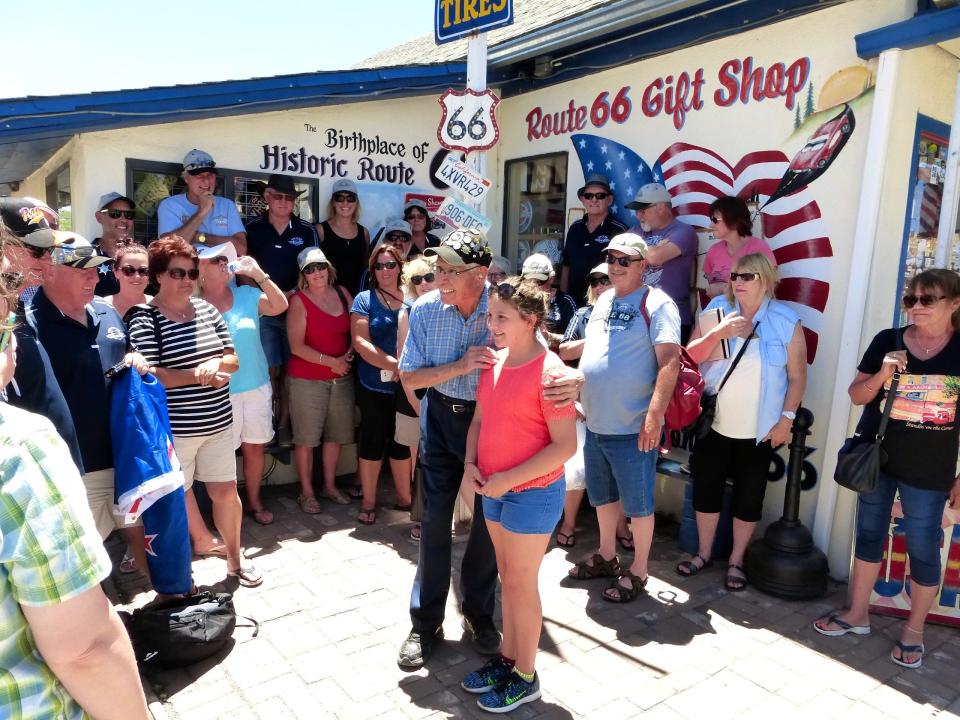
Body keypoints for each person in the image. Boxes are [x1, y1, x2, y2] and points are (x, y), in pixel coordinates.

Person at [396, 229, 582, 668]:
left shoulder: (500, 304)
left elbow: (541, 351)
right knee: (434, 522)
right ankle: (425, 625)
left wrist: (579, 380)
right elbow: (410, 379)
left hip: (491, 424)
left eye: (448, 270)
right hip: (442, 420)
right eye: (436, 268)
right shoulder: (424, 310)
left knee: (486, 527)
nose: (437, 276)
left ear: (479, 274)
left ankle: (479, 615)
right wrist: (459, 367)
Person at [0, 272, 150, 720]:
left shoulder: (107, 314)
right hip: (70, 465)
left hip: (112, 452)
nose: (92, 277)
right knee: (80, 591)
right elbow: (85, 651)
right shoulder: (18, 447)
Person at [814, 268, 960, 670]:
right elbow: (856, 394)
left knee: (923, 547)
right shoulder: (888, 340)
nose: (916, 307)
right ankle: (857, 614)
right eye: (910, 299)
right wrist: (883, 372)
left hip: (931, 470)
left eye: (927, 300)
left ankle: (914, 632)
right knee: (868, 534)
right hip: (879, 460)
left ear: (954, 303)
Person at [459, 277, 577, 712]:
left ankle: (526, 676)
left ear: (531, 321)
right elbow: (479, 422)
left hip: (533, 494)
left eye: (502, 317)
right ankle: (509, 659)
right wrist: (471, 465)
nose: (492, 324)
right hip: (493, 489)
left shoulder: (553, 374)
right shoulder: (493, 363)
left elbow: (565, 446)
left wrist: (508, 479)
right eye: (490, 315)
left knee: (521, 584)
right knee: (507, 581)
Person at [126, 235, 262, 588]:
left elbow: (232, 358)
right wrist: (196, 375)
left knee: (226, 493)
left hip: (218, 422)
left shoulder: (207, 309)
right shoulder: (145, 316)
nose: (186, 280)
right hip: (176, 430)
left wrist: (217, 362)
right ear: (158, 275)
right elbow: (149, 374)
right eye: (177, 273)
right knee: (172, 503)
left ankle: (235, 559)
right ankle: (176, 578)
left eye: (190, 273)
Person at [27, 232, 152, 581]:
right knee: (79, 559)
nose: (94, 278)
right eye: (82, 270)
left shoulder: (106, 312)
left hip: (125, 455)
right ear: (49, 271)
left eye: (96, 270)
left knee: (140, 534)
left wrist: (134, 356)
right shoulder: (28, 324)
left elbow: (123, 351)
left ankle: (164, 601)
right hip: (77, 465)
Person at [680, 253, 806, 590]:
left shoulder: (785, 320)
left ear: (765, 279)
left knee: (749, 497)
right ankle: (704, 553)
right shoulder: (716, 309)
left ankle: (736, 560)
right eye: (735, 274)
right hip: (714, 423)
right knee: (706, 491)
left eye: (747, 276)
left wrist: (786, 420)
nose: (738, 281)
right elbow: (689, 357)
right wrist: (718, 331)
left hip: (759, 429)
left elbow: (797, 377)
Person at [568, 234, 680, 603]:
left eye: (625, 260)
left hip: (633, 426)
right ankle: (605, 556)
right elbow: (597, 355)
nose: (616, 266)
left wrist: (653, 417)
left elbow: (669, 362)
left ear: (643, 265)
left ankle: (640, 570)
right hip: (596, 422)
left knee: (638, 505)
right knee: (602, 498)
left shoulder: (657, 303)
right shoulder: (603, 301)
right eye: (611, 259)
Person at [198, 242, 288, 526]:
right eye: (216, 260)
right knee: (221, 453)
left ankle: (254, 501)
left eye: (227, 260)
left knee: (254, 447)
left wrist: (259, 274)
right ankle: (225, 507)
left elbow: (280, 306)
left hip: (256, 386)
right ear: (200, 269)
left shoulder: (248, 294)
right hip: (218, 393)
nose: (224, 264)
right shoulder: (194, 305)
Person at [0, 198, 82, 472]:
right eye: (36, 250)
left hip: (54, 470)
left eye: (49, 249)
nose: (48, 258)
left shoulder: (17, 301)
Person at [556, 263, 631, 550]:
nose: (600, 286)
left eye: (606, 280)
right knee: (576, 470)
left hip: (620, 406)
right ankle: (569, 523)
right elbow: (565, 350)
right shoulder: (583, 314)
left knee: (619, 472)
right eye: (595, 281)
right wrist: (598, 335)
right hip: (582, 404)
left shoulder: (632, 314)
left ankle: (622, 526)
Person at [244, 173, 320, 446]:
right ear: (267, 197)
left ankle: (285, 426)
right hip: (263, 311)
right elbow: (243, 271)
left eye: (290, 197)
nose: (284, 202)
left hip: (295, 309)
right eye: (278, 196)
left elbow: (313, 269)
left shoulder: (306, 230)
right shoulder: (251, 228)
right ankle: (265, 424)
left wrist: (294, 295)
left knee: (291, 371)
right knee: (266, 370)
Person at [286, 247, 356, 513]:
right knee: (306, 439)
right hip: (307, 379)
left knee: (334, 437)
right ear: (303, 275)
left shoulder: (342, 293)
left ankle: (329, 486)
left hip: (341, 377)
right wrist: (333, 362)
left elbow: (357, 327)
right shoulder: (298, 301)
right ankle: (306, 492)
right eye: (310, 269)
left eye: (320, 267)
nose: (316, 273)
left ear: (329, 268)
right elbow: (296, 346)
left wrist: (348, 356)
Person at [351, 245, 413, 524]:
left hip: (407, 386)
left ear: (400, 267)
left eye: (390, 265)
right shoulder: (364, 299)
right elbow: (361, 342)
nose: (385, 270)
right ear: (372, 270)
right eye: (379, 266)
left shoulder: (413, 298)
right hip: (373, 384)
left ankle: (405, 499)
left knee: (402, 443)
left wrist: (408, 371)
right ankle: (368, 501)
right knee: (373, 442)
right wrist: (395, 365)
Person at [397, 257, 438, 542]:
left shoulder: (447, 307)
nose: (424, 284)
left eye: (429, 277)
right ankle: (423, 520)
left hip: (444, 395)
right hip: (416, 396)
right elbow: (404, 366)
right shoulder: (407, 312)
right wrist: (416, 402)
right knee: (420, 461)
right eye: (417, 279)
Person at [625, 183, 697, 342]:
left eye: (643, 210)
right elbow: (617, 256)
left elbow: (655, 257)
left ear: (661, 207)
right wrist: (653, 247)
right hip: (636, 315)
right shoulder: (636, 230)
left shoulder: (684, 231)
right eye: (637, 210)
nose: (638, 215)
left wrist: (637, 249)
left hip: (671, 316)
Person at [157, 149, 247, 253]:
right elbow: (169, 249)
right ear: (186, 178)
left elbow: (241, 249)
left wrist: (198, 236)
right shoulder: (170, 205)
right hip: (188, 269)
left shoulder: (227, 205)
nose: (206, 180)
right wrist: (201, 212)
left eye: (210, 175)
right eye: (199, 175)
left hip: (222, 267)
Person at [559, 174, 628, 306]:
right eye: (589, 196)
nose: (594, 200)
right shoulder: (574, 228)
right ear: (583, 200)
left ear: (610, 200)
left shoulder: (620, 230)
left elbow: (627, 270)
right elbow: (566, 265)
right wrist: (563, 299)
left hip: (605, 304)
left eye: (600, 195)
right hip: (574, 303)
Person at [702, 196, 776, 299]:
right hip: (722, 312)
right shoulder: (713, 251)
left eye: (715, 220)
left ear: (735, 220)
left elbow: (769, 287)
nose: (710, 225)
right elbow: (712, 289)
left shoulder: (760, 249)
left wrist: (724, 288)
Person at [316, 178, 369, 296]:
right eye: (339, 198)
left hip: (357, 299)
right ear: (333, 202)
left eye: (350, 198)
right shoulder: (321, 230)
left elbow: (365, 268)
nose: (345, 203)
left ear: (356, 203)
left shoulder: (364, 233)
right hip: (328, 298)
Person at [520, 253, 577, 350]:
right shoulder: (518, 301)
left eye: (539, 281)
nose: (534, 286)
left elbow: (574, 340)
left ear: (551, 279)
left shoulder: (565, 302)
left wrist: (548, 337)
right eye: (528, 281)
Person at [92, 192, 137, 297]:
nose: (123, 220)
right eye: (115, 214)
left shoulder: (140, 255)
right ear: (99, 217)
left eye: (128, 215)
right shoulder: (86, 256)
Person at [105, 239, 152, 319]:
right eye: (129, 270)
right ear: (116, 272)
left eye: (143, 271)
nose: (137, 276)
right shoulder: (102, 307)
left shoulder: (159, 308)